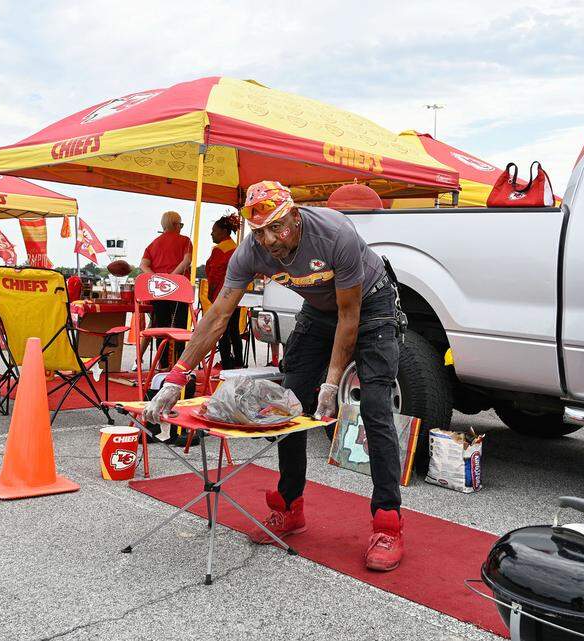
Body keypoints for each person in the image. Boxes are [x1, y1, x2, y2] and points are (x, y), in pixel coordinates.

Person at [143, 181, 405, 571]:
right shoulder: (250, 251)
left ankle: (388, 522)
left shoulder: (336, 235)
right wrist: (177, 376)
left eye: (277, 228)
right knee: (289, 405)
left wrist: (332, 384)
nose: (270, 240)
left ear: (295, 217)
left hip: (370, 304)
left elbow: (350, 318)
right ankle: (290, 506)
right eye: (260, 231)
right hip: (319, 310)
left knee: (375, 409)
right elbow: (218, 316)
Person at [137, 211, 192, 368]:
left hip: (158, 291)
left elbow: (143, 265)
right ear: (175, 225)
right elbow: (187, 261)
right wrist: (172, 279)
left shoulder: (153, 243)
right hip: (179, 290)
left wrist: (158, 279)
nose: (181, 228)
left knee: (160, 329)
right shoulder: (185, 241)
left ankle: (162, 365)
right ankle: (178, 366)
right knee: (179, 329)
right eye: (180, 225)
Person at [200, 214, 244, 370]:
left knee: (222, 330)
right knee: (234, 331)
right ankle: (239, 362)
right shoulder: (237, 248)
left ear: (224, 231)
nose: (211, 233)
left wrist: (211, 295)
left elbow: (214, 274)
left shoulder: (220, 250)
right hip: (237, 295)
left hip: (222, 295)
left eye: (214, 230)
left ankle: (226, 363)